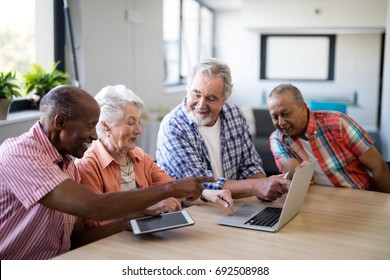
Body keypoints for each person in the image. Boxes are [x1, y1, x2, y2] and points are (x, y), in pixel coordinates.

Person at [0, 85, 213, 260]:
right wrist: (170, 188)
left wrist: (131, 220)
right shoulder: (20, 153)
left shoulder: (68, 167)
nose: (95, 135)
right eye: (90, 126)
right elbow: (94, 207)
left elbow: (80, 238)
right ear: (61, 123)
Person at [76, 84, 233, 228]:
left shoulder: (139, 157)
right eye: (131, 123)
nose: (139, 130)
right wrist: (142, 210)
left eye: (139, 122)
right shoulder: (88, 164)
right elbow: (96, 224)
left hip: (147, 236)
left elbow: (174, 188)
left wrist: (207, 194)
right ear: (105, 125)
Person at [156, 58, 290, 201]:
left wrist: (265, 188)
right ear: (187, 90)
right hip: (191, 210)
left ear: (224, 99)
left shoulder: (235, 115)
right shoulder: (173, 126)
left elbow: (249, 165)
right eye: (196, 94)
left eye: (211, 98)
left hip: (230, 205)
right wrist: (258, 186)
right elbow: (200, 184)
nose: (201, 105)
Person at [267, 83, 390, 193]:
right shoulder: (277, 139)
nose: (281, 122)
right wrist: (298, 174)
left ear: (303, 109)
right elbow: (292, 173)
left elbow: (378, 166)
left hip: (360, 196)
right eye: (275, 117)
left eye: (286, 114)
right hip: (319, 203)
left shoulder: (338, 123)